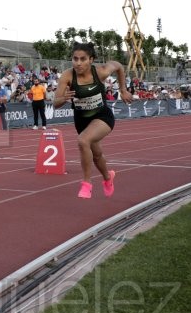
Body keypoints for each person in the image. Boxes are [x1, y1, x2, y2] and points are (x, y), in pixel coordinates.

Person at [53, 42, 133, 199]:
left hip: (102, 116)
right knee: (96, 155)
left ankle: (86, 184)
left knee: (83, 140)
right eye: (75, 59)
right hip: (81, 120)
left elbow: (118, 66)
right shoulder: (68, 76)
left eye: (83, 59)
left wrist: (123, 90)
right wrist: (64, 98)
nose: (78, 63)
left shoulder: (101, 72)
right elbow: (55, 103)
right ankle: (108, 178)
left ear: (91, 59)